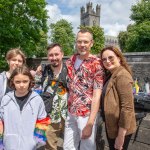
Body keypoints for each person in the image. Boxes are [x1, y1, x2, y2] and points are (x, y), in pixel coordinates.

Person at [63, 29, 104, 150]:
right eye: (79, 41)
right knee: (67, 147)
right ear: (76, 42)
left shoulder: (97, 63)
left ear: (92, 43)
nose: (82, 45)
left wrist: (90, 123)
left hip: (86, 115)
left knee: (87, 148)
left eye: (85, 42)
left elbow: (97, 95)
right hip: (71, 112)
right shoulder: (71, 60)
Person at [0, 66, 50, 150]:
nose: (21, 85)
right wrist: (1, 143)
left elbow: (42, 121)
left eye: (25, 81)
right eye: (18, 82)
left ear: (30, 80)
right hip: (9, 145)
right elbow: (1, 122)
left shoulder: (37, 99)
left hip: (30, 146)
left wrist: (37, 141)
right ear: (13, 81)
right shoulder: (6, 99)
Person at [100, 46, 136, 150]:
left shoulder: (122, 75)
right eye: (104, 59)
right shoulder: (111, 74)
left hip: (121, 130)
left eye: (111, 57)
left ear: (119, 58)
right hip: (113, 127)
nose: (107, 61)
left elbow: (127, 108)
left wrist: (121, 137)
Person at [36, 43, 68, 150]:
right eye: (51, 55)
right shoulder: (44, 70)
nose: (54, 58)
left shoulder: (70, 70)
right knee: (50, 146)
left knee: (70, 146)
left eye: (56, 54)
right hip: (50, 115)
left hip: (69, 116)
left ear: (62, 54)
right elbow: (33, 85)